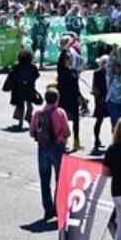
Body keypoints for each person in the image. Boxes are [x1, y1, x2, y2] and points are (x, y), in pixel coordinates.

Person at [30, 89, 71, 221]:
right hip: (57, 148)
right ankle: (58, 207)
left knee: (44, 180)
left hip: (42, 148)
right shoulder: (60, 112)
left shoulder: (37, 113)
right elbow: (67, 131)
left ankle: (48, 209)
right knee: (60, 179)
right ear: (57, 99)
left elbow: (32, 132)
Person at [6, 49, 40, 131]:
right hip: (29, 88)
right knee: (29, 104)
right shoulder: (33, 67)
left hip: (18, 89)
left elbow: (11, 76)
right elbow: (37, 75)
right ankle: (29, 119)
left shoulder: (16, 67)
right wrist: (29, 81)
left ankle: (20, 123)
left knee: (20, 106)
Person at [56, 42, 82, 149]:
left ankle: (76, 142)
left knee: (76, 121)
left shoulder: (73, 71)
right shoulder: (61, 71)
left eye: (70, 58)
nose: (69, 60)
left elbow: (77, 87)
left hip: (73, 98)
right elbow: (62, 54)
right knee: (62, 121)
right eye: (67, 58)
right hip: (63, 98)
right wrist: (68, 45)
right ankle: (62, 141)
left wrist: (82, 98)